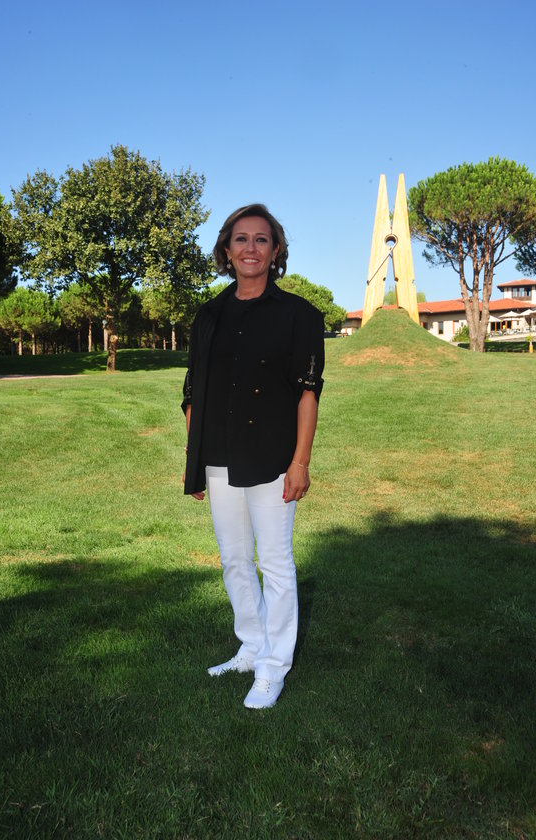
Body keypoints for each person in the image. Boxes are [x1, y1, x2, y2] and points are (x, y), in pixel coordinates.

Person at [182, 204, 324, 709]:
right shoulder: (208, 316)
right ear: (226, 250)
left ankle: (273, 667)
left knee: (276, 564)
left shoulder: (299, 316)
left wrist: (300, 462)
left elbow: (308, 392)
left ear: (275, 250)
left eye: (261, 239)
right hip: (220, 458)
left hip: (273, 459)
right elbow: (193, 392)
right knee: (234, 559)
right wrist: (196, 460)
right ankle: (251, 645)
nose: (250, 248)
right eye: (240, 239)